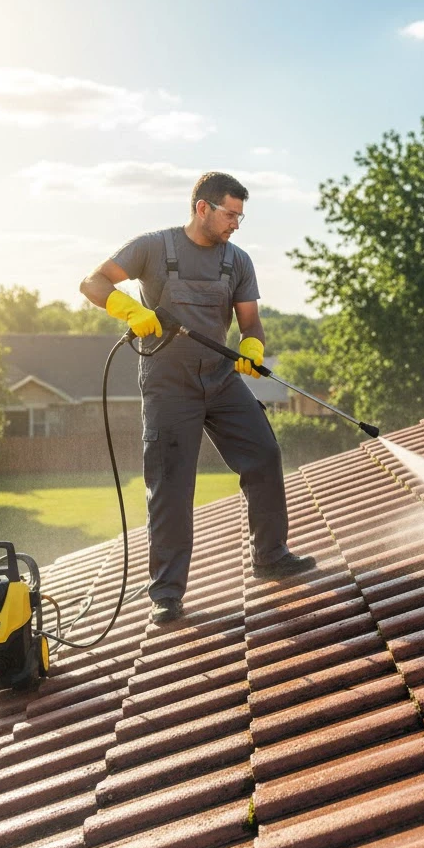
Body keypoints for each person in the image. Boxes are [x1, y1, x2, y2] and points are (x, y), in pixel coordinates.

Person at [80, 171, 316, 624]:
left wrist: (251, 347)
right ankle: (166, 594)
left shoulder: (238, 261)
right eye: (230, 214)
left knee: (264, 454)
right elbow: (92, 283)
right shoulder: (154, 247)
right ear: (202, 208)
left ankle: (270, 556)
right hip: (169, 385)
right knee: (170, 484)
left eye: (240, 217)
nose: (235, 224)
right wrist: (129, 308)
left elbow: (250, 322)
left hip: (221, 380)